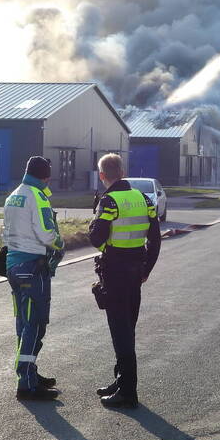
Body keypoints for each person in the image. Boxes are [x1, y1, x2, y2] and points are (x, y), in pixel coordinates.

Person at [89, 153, 161, 409]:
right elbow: (155, 237)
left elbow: (96, 239)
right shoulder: (142, 198)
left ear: (102, 175)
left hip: (116, 272)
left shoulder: (108, 201)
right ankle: (121, 380)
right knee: (127, 327)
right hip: (136, 271)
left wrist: (95, 217)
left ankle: (128, 392)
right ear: (122, 172)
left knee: (120, 331)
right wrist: (147, 269)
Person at [3, 156, 64, 401]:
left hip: (13, 266)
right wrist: (61, 244)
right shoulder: (37, 197)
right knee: (36, 324)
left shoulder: (13, 195)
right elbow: (46, 234)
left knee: (24, 323)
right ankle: (26, 381)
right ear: (45, 176)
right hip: (33, 266)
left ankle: (29, 373)